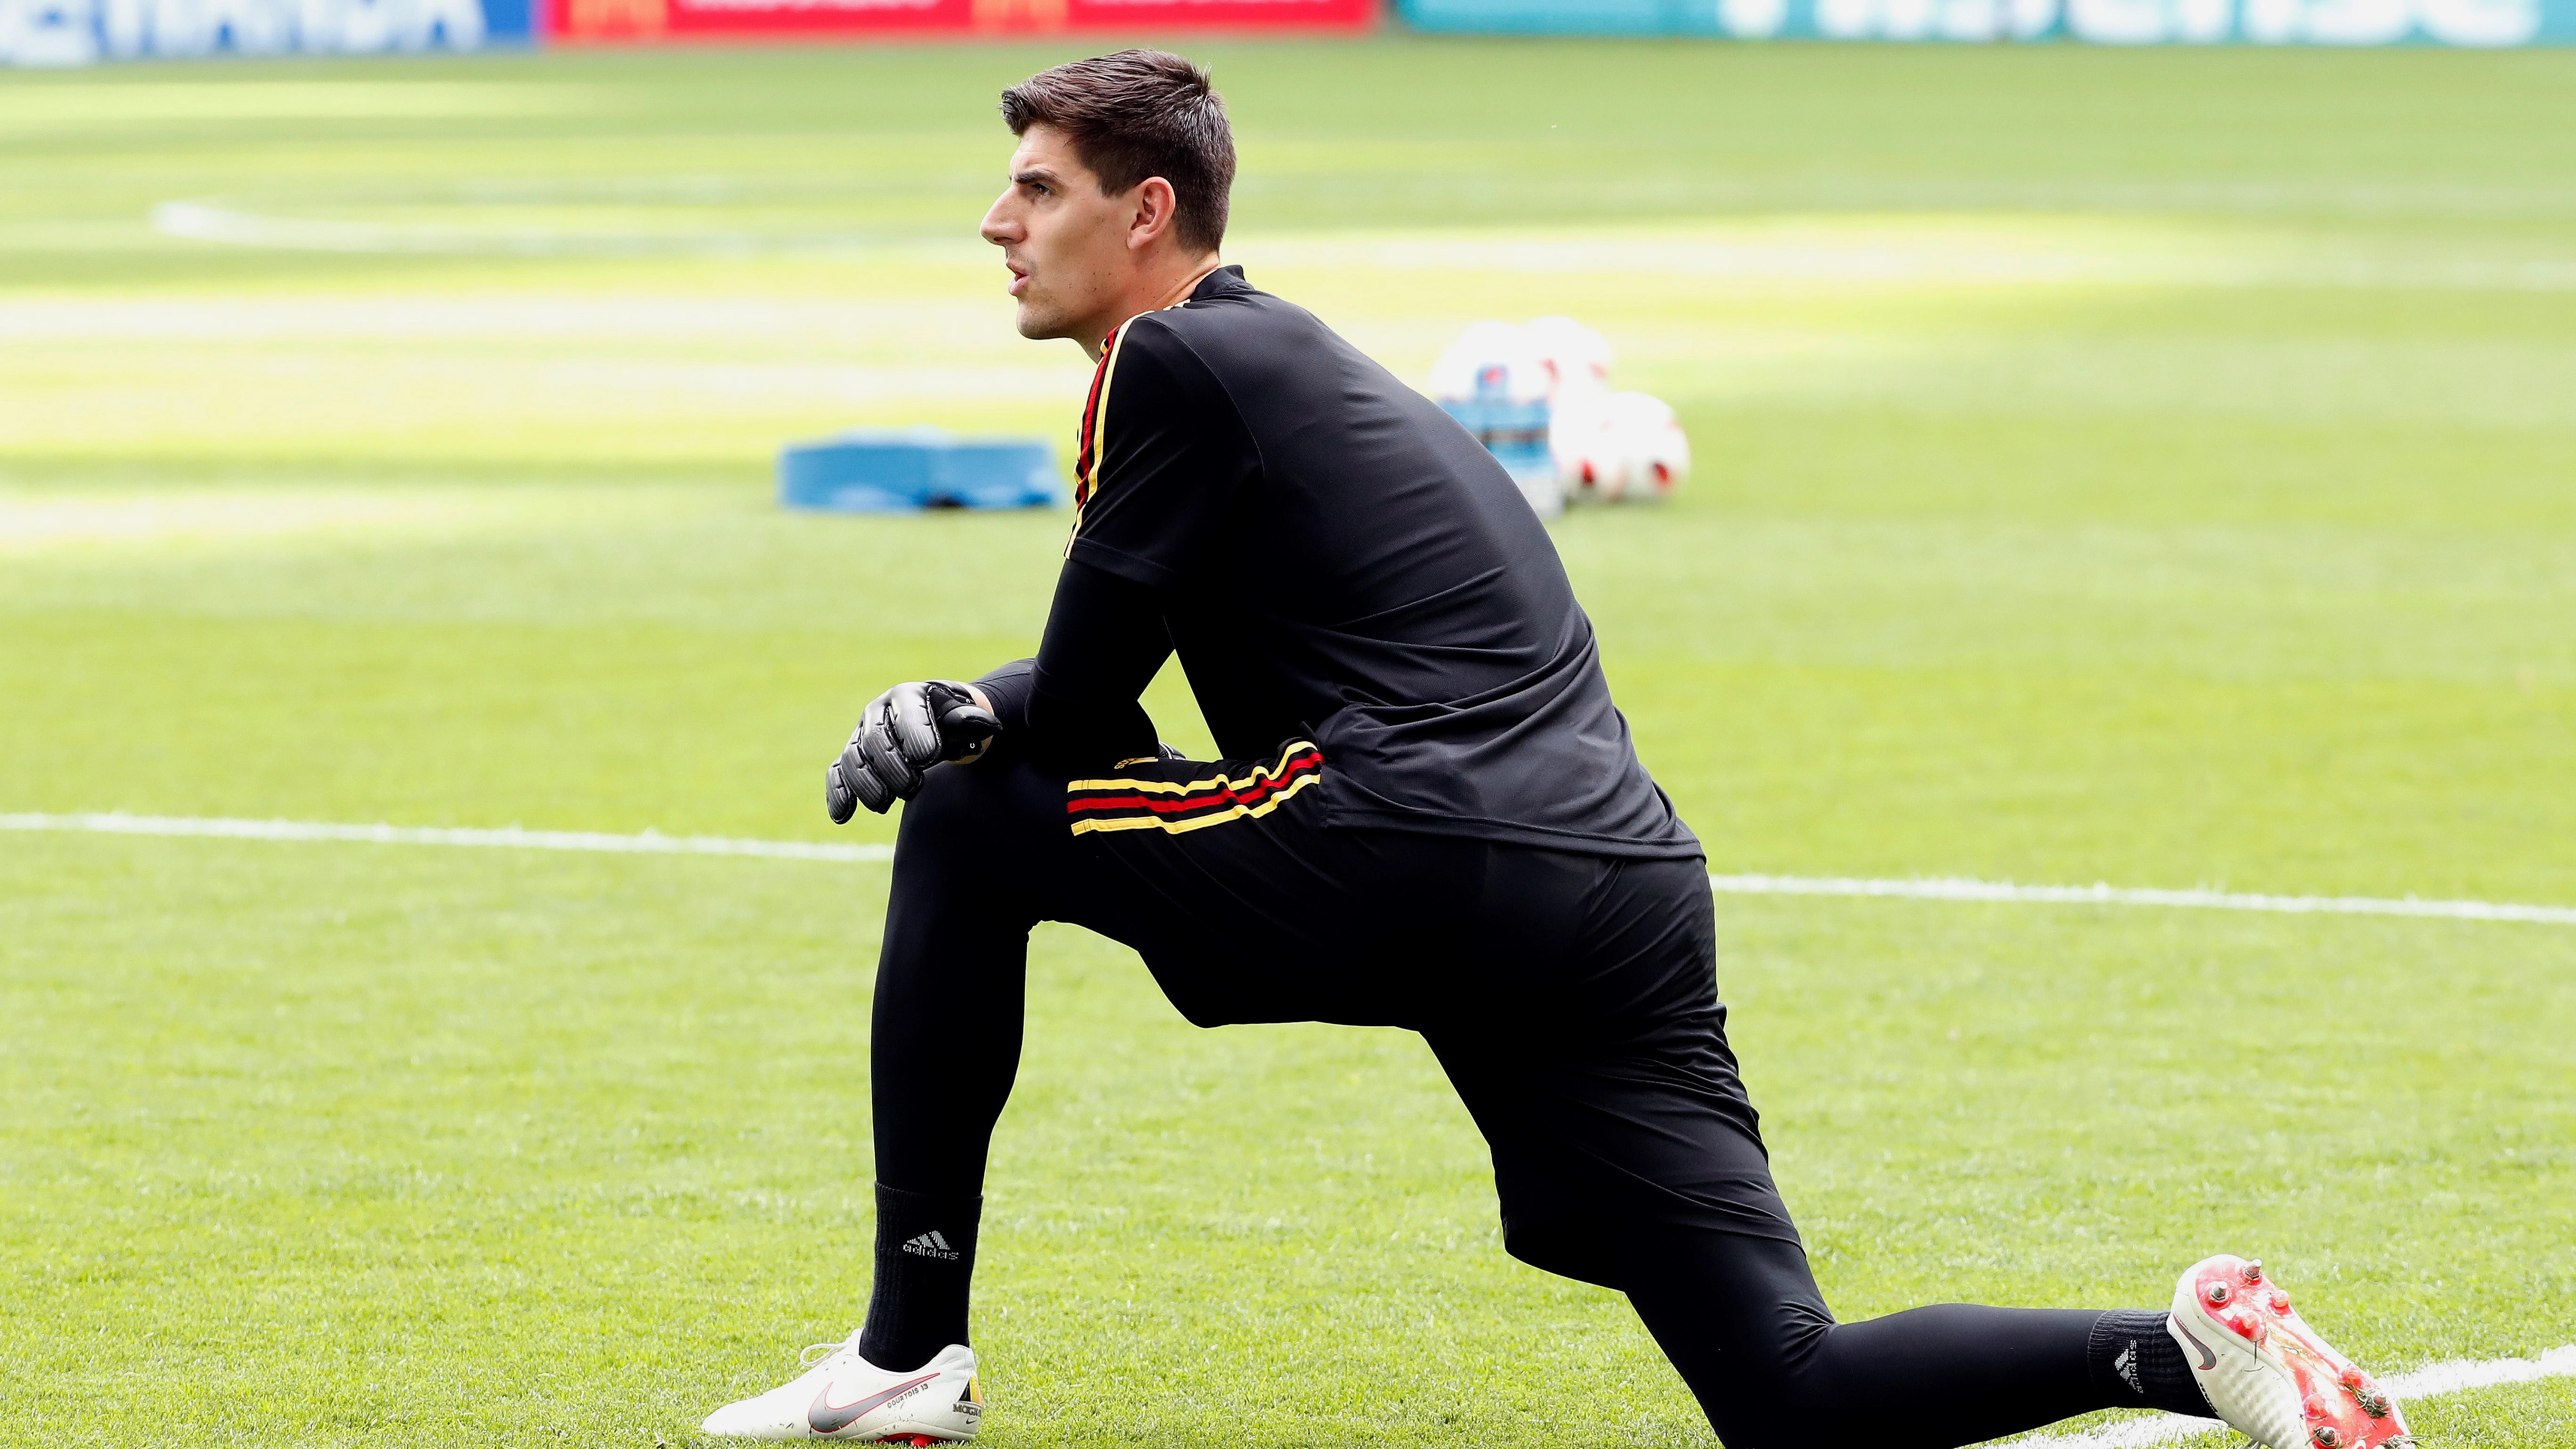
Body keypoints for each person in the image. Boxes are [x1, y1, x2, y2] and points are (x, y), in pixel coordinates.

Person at [697, 49, 2413, 1449]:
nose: (995, 221)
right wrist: (995, 702)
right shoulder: (1289, 366)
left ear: (1149, 215)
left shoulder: (1175, 364)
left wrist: (965, 717)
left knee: (975, 817)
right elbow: (1102, 691)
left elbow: (1072, 715)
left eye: (1038, 188)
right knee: (1788, 1386)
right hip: (1621, 883)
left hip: (1415, 839)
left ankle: (911, 1347)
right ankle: (2181, 1352)